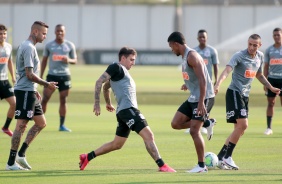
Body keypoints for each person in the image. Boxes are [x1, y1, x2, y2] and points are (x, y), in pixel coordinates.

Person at [79, 47, 176, 172]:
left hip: (123, 112)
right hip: (128, 110)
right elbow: (99, 82)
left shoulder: (121, 72)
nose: (133, 63)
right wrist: (97, 103)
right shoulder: (116, 67)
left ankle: (87, 157)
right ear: (123, 58)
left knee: (117, 144)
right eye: (131, 60)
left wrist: (108, 103)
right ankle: (162, 165)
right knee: (149, 135)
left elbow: (106, 87)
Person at [214, 34, 280, 170]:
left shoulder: (260, 57)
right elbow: (227, 70)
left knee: (239, 130)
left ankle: (221, 157)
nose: (251, 47)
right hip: (234, 93)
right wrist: (218, 84)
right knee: (243, 125)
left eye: (254, 45)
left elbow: (259, 75)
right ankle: (228, 158)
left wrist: (270, 87)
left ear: (259, 46)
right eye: (249, 44)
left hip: (244, 96)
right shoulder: (239, 55)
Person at [6, 21, 58, 170]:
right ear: (35, 32)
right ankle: (10, 163)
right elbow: (29, 74)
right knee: (21, 126)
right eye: (43, 33)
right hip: (24, 92)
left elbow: (27, 74)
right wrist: (46, 84)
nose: (44, 37)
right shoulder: (28, 47)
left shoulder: (30, 47)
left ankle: (21, 154)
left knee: (41, 123)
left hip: (30, 91)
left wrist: (35, 89)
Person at [167, 31, 216, 173]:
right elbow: (193, 77)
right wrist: (187, 84)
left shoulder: (192, 56)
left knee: (194, 130)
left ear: (176, 44)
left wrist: (201, 103)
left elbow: (203, 79)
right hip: (194, 96)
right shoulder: (184, 56)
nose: (171, 50)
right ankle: (206, 123)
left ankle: (201, 166)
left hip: (204, 97)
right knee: (175, 123)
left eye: (171, 46)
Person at [40, 24, 77, 132]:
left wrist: (68, 60)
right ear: (55, 32)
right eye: (57, 31)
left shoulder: (70, 45)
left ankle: (62, 125)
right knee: (45, 99)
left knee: (63, 100)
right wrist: (41, 77)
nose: (59, 33)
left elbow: (75, 60)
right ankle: (39, 123)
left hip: (65, 76)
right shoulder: (49, 45)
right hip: (52, 76)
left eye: (61, 31)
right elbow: (44, 61)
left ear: (64, 32)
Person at [185, 29, 219, 134]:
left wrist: (216, 82)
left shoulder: (212, 51)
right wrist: (187, 82)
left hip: (207, 82)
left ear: (207, 38)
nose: (202, 39)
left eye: (204, 37)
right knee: (194, 101)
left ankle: (203, 124)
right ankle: (203, 123)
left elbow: (215, 67)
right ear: (197, 38)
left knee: (206, 101)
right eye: (200, 37)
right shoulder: (193, 52)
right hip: (195, 82)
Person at [263, 27, 282, 135]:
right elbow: (266, 66)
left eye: (278, 35)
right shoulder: (269, 50)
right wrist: (265, 82)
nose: (276, 37)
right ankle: (269, 128)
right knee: (271, 103)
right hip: (272, 79)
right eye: (274, 35)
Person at [0, 24, 16, 137]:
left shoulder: (8, 47)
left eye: (4, 33)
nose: (2, 36)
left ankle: (5, 127)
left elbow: (10, 62)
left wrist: (13, 76)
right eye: (0, 34)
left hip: (5, 81)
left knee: (14, 104)